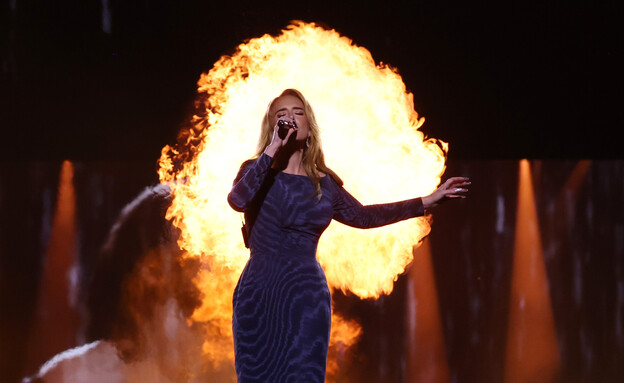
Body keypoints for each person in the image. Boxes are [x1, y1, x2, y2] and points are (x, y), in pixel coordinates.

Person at [227, 89, 470, 382]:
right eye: (281, 114)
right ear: (272, 126)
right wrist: (273, 149)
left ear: (309, 125)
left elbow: (363, 216)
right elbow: (238, 200)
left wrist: (426, 202)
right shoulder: (254, 170)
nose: (289, 118)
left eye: (297, 112)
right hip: (259, 291)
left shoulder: (324, 185)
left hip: (306, 295)